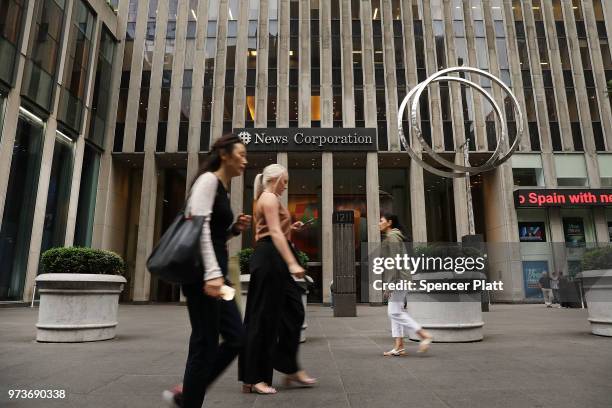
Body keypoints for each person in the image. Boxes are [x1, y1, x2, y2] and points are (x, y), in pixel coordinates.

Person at [162, 135, 251, 408]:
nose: (245, 161)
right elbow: (197, 228)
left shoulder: (221, 187)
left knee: (235, 338)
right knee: (205, 342)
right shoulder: (208, 181)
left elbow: (213, 235)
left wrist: (234, 229)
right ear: (224, 154)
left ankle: (187, 394)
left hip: (215, 276)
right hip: (204, 276)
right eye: (241, 154)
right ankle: (188, 399)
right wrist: (212, 274)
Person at [239, 164, 316, 394]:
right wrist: (292, 263)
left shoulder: (270, 199)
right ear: (277, 178)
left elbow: (275, 229)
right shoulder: (269, 198)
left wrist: (290, 226)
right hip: (269, 258)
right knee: (262, 319)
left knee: (293, 310)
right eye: (285, 181)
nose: (286, 185)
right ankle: (254, 378)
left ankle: (287, 365)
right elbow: (272, 233)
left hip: (274, 258)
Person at [379, 214, 433, 356]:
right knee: (396, 310)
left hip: (399, 279)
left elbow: (393, 262)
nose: (379, 223)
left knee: (393, 312)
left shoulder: (392, 237)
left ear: (389, 223)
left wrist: (389, 284)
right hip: (401, 278)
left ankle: (424, 335)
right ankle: (399, 346)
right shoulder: (393, 236)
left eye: (381, 220)